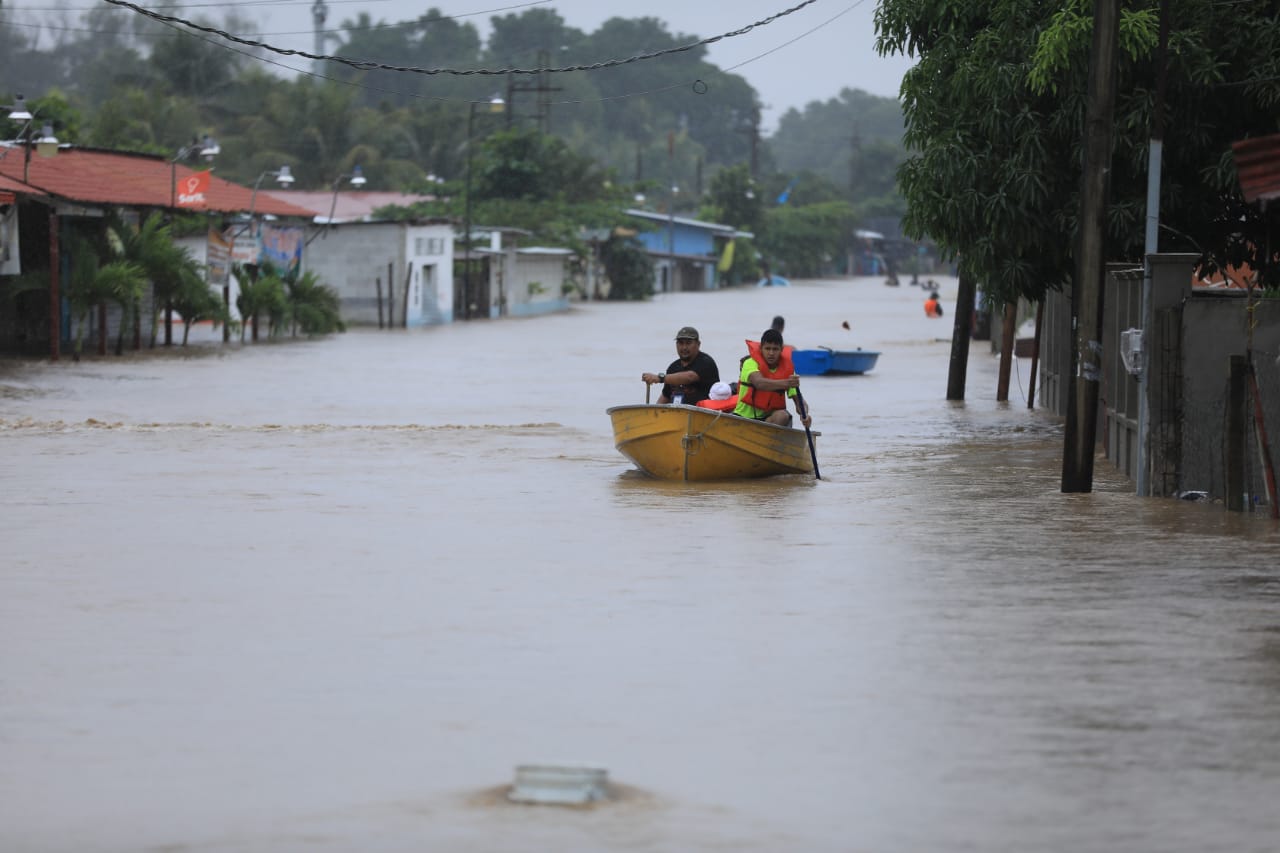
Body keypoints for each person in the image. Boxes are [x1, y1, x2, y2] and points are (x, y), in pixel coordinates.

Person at [732, 328, 811, 428]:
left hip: (768, 420)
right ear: (761, 349)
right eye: (768, 348)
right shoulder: (750, 363)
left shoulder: (787, 370)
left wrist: (805, 414)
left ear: (781, 350)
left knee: (783, 415)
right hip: (744, 417)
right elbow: (759, 383)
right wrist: (787, 383)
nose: (771, 353)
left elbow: (799, 400)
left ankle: (767, 439)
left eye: (775, 349)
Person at [642, 326, 720, 406]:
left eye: (688, 343)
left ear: (698, 344)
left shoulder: (706, 362)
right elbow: (665, 396)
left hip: (704, 415)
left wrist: (660, 378)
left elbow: (690, 377)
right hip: (676, 415)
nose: (684, 347)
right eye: (681, 343)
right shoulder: (673, 368)